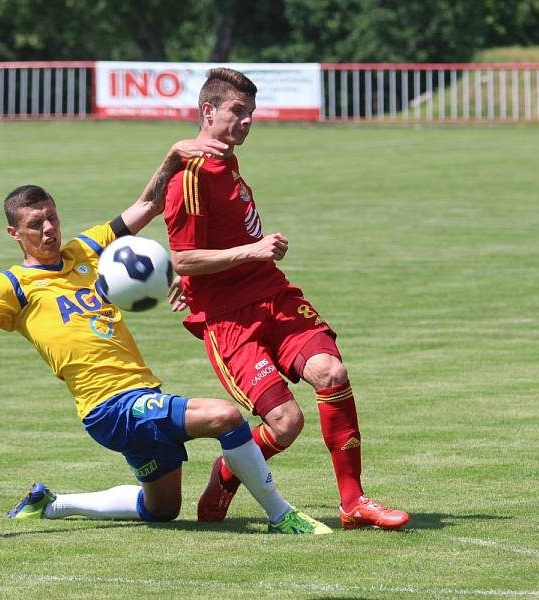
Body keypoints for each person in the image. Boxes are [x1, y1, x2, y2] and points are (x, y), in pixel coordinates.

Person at [0, 139, 331, 535]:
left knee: (162, 510)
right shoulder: (12, 286)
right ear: (14, 233)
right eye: (35, 224)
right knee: (227, 417)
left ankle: (52, 503)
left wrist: (172, 158)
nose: (48, 229)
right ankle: (281, 515)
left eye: (51, 217)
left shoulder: (85, 249)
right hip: (111, 407)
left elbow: (147, 206)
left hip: (138, 396)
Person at [163, 68, 409, 530]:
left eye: (251, 113)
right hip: (229, 320)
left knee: (332, 372)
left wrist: (214, 264)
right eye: (238, 111)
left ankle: (354, 503)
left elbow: (199, 249)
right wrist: (241, 255)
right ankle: (225, 473)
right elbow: (184, 258)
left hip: (273, 294)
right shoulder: (189, 177)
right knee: (285, 424)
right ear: (208, 111)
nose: (247, 121)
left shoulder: (225, 158)